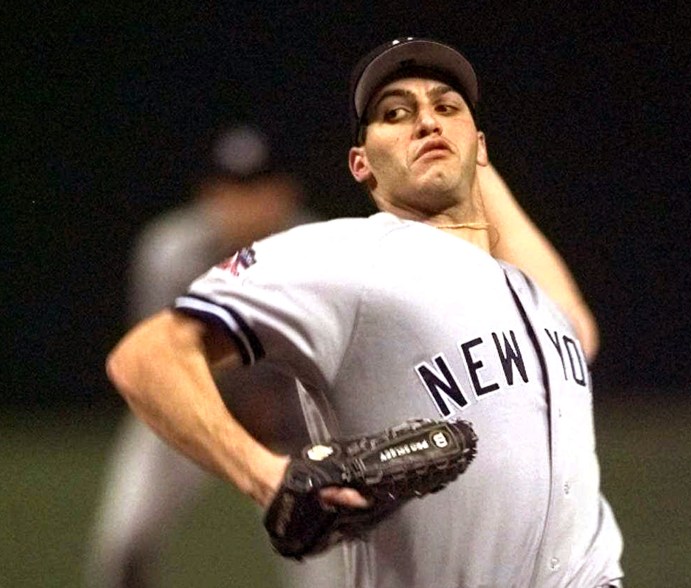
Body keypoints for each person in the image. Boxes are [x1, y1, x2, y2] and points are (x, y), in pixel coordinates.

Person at [105, 37, 621, 588]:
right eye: (396, 114)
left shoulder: (534, 298)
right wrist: (267, 477)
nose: (426, 122)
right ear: (361, 165)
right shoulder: (344, 258)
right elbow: (146, 357)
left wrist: (466, 158)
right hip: (267, 428)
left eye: (447, 108)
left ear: (482, 146)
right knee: (126, 536)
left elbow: (577, 324)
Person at [86, 124, 345, 587]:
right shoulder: (169, 252)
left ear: (287, 192)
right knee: (124, 542)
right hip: (192, 410)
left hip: (292, 424)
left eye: (259, 187)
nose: (244, 203)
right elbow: (157, 365)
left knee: (330, 565)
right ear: (208, 194)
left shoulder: (322, 249)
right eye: (231, 189)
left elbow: (328, 362)